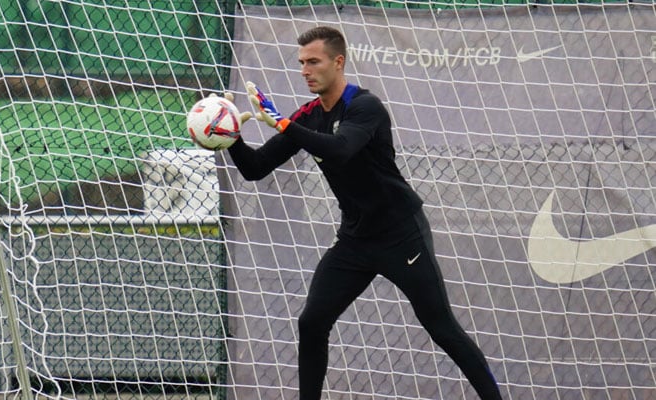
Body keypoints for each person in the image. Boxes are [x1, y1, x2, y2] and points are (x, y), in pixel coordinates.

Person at [215, 26, 503, 400]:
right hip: (355, 240)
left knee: (440, 327)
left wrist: (284, 124)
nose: (305, 70)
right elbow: (255, 168)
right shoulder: (308, 115)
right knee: (313, 321)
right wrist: (228, 133)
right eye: (301, 63)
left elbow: (341, 149)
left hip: (401, 234)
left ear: (339, 61)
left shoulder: (365, 106)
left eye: (314, 61)